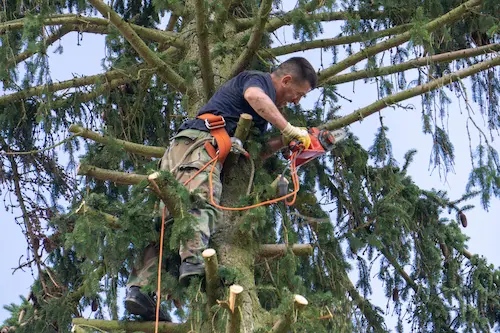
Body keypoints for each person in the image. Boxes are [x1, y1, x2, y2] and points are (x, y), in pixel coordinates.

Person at [124, 57, 318, 321]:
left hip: (187, 147)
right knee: (201, 200)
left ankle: (140, 290)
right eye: (299, 94)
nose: (296, 102)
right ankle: (193, 262)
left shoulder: (258, 114)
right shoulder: (258, 81)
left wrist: (285, 141)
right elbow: (254, 96)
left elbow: (253, 154)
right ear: (286, 80)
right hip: (201, 145)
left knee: (168, 221)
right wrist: (289, 127)